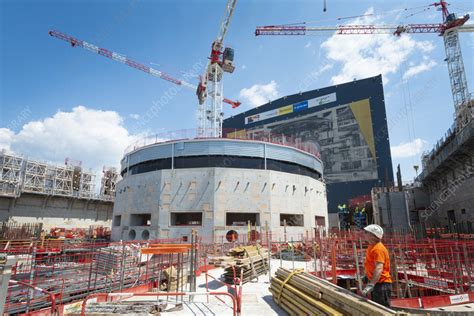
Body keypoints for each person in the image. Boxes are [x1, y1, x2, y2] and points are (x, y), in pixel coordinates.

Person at [362, 224, 392, 307]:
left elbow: (379, 268)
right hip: (377, 283)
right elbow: (371, 264)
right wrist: (367, 276)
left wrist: (371, 284)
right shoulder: (372, 247)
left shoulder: (378, 249)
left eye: (366, 232)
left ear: (372, 236)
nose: (364, 234)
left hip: (381, 285)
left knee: (382, 310)